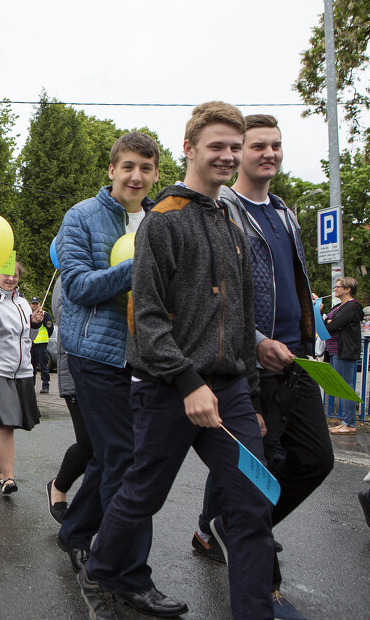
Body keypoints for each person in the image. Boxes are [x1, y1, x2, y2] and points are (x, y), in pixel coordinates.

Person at [78, 102, 272, 620]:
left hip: (228, 389)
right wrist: (189, 383)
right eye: (218, 146)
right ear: (189, 149)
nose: (229, 156)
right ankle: (99, 572)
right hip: (167, 387)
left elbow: (242, 312)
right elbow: (148, 319)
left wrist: (249, 396)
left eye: (236, 147)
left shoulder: (232, 221)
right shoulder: (163, 220)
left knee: (252, 506)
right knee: (143, 494)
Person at [195, 114, 333, 619]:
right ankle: (264, 582)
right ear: (239, 152)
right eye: (258, 146)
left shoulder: (283, 211)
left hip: (297, 360)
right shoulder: (224, 209)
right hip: (254, 364)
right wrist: (254, 344)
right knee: (262, 471)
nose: (268, 154)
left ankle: (224, 526)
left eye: (276, 145)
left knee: (316, 460)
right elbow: (221, 295)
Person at [55, 132, 162, 599]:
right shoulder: (82, 216)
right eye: (128, 167)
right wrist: (137, 265)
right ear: (112, 170)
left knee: (110, 454)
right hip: (93, 352)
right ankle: (128, 575)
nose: (136, 176)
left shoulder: (162, 221)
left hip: (148, 358)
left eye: (145, 167)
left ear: (156, 173)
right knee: (129, 457)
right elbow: (77, 286)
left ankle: (76, 532)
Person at [0, 262, 42, 497]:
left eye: (15, 275)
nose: (11, 279)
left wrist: (34, 324)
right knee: (7, 420)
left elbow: (27, 337)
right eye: (7, 275)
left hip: (21, 370)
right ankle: (9, 477)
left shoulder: (23, 302)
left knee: (3, 421)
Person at [46, 279, 91, 522]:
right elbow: (67, 318)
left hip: (118, 371)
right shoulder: (70, 271)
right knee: (90, 443)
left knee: (110, 450)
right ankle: (58, 486)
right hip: (77, 369)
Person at [323, 277, 363, 435]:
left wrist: (332, 322)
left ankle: (350, 423)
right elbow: (328, 323)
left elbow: (331, 326)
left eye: (338, 287)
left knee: (346, 386)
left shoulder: (351, 307)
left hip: (344, 350)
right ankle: (345, 420)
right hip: (334, 350)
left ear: (348, 289)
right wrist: (330, 321)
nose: (335, 289)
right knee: (340, 385)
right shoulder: (339, 306)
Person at [29, 297, 52, 393]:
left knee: (43, 366)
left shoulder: (45, 314)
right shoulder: (28, 314)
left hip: (41, 344)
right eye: (33, 304)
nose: (34, 306)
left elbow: (50, 328)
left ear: (40, 304)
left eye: (36, 304)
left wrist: (45, 338)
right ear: (30, 304)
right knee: (31, 366)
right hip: (30, 344)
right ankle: (31, 385)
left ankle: (45, 385)